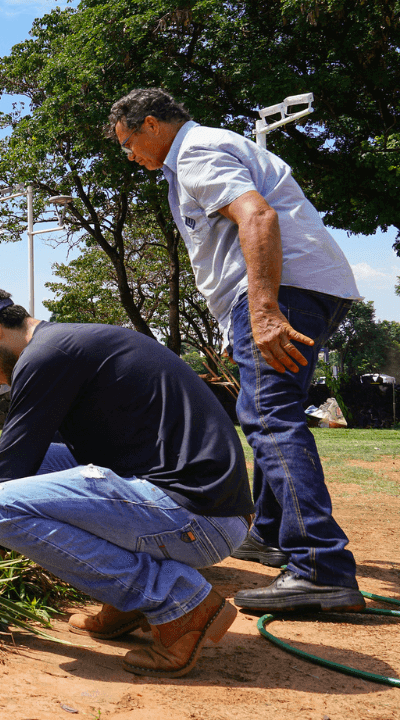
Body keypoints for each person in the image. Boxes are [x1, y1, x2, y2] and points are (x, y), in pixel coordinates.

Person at [109, 88, 365, 614]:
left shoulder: (196, 152)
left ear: (152, 125)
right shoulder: (203, 151)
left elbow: (258, 218)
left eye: (129, 143)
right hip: (302, 288)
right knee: (272, 409)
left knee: (268, 417)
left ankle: (321, 566)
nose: (129, 156)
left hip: (284, 290)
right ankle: (270, 535)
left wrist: (264, 311)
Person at [0, 287, 254, 678]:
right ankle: (125, 601)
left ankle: (178, 601)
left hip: (199, 516)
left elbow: (11, 469)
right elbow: (21, 458)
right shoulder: (66, 345)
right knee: (7, 469)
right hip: (199, 505)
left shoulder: (46, 356)